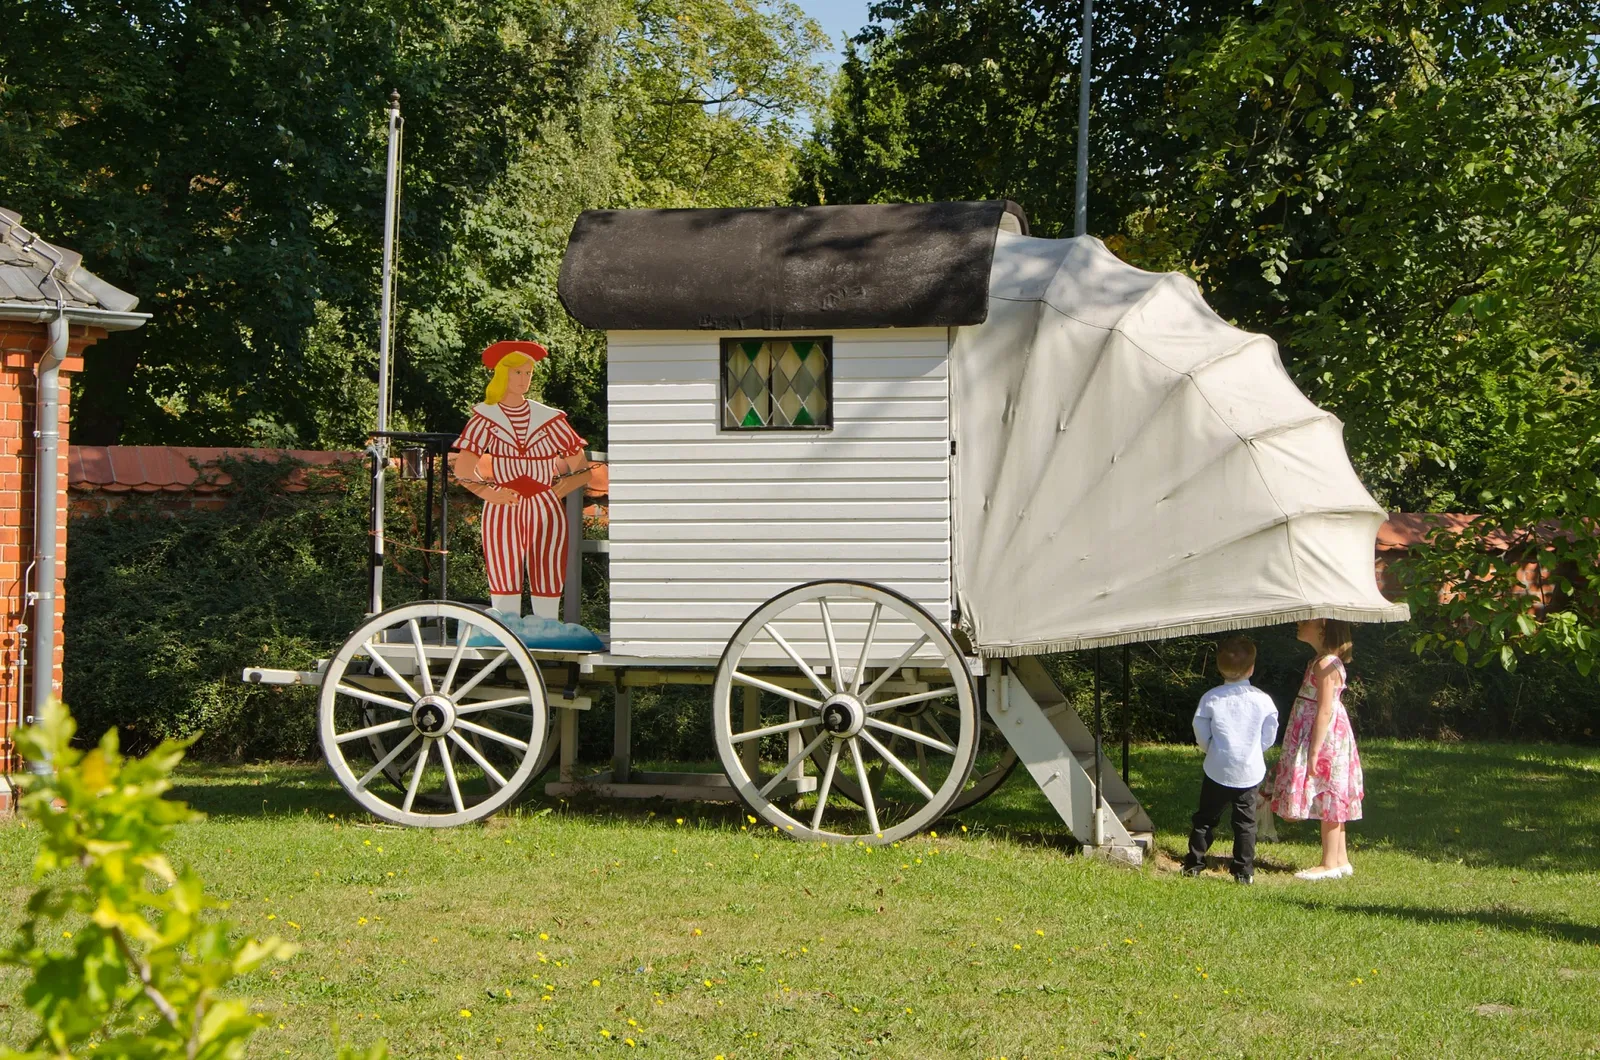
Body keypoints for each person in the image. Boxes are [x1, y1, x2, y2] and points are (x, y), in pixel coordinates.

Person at [451, 340, 591, 620]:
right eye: (518, 372)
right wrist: (490, 493)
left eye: (529, 373)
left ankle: (548, 626)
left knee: (548, 565)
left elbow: (582, 468)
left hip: (545, 504)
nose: (524, 379)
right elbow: (463, 469)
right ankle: (506, 628)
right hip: (504, 505)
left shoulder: (549, 418)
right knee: (504, 566)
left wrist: (561, 488)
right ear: (503, 374)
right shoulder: (485, 418)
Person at [1271, 617, 1363, 880]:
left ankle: (1329, 863)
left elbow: (1325, 709)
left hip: (1324, 737)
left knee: (1328, 791)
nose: (1299, 623)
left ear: (1323, 628)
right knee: (1329, 791)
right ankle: (1340, 858)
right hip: (1322, 732)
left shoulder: (1325, 664)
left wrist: (1313, 751)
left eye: (1307, 620)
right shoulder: (1322, 661)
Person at [1183, 635, 1279, 885]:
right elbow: (1269, 733)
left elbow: (1200, 730)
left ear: (1219, 667)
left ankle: (1194, 864)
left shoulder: (1211, 698)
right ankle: (1243, 871)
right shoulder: (1263, 700)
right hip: (1249, 770)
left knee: (1205, 818)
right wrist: (1255, 750)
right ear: (1252, 668)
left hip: (1217, 767)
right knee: (1245, 823)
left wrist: (1211, 749)